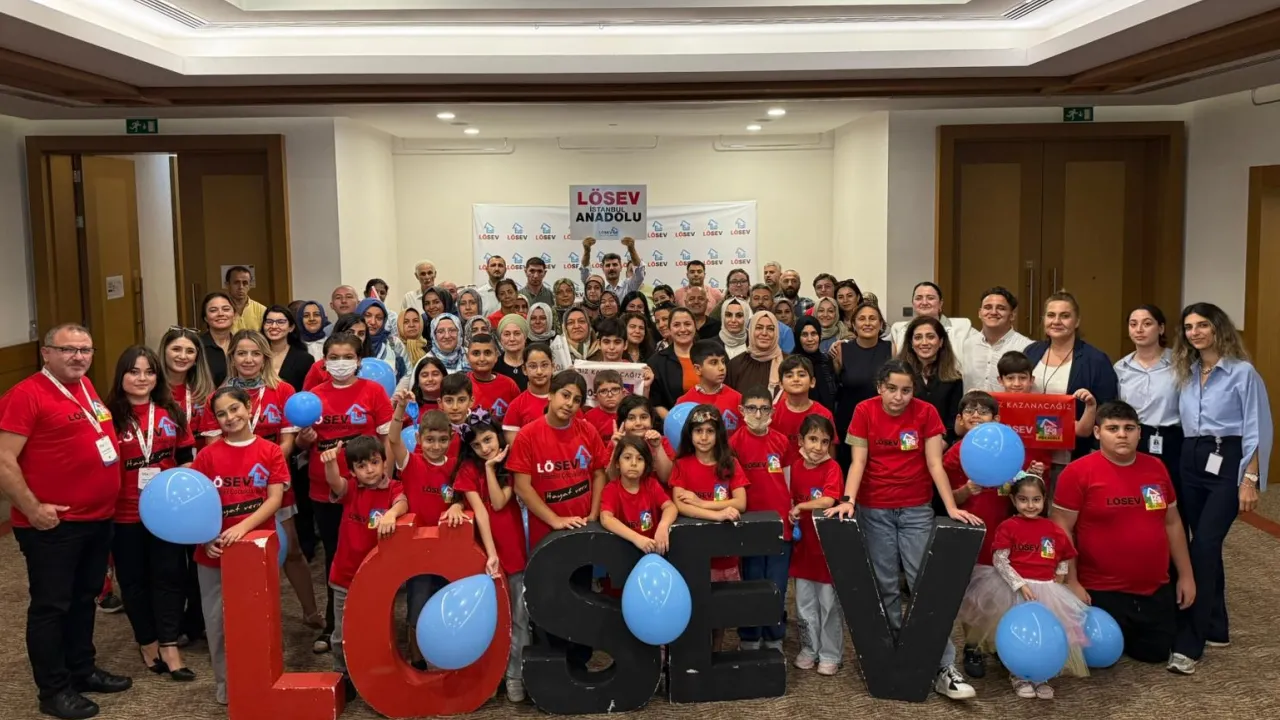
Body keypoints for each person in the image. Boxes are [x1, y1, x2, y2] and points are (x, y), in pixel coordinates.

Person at [825, 359, 983, 701]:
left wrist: (950, 507)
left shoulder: (926, 413)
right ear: (880, 387)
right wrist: (848, 499)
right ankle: (899, 656)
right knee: (885, 587)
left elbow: (934, 464)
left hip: (916, 510)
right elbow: (858, 462)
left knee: (926, 586)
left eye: (906, 390)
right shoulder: (864, 411)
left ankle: (943, 666)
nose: (899, 397)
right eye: (892, 389)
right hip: (875, 510)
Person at [0, 325, 133, 719]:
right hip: (52, 525)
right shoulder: (25, 395)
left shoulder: (84, 386)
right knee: (52, 606)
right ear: (46, 353)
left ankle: (81, 669)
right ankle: (54, 690)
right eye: (68, 350)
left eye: (85, 350)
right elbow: (4, 461)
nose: (78, 357)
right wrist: (32, 508)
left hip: (96, 518)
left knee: (83, 598)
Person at [1052, 400, 1195, 667]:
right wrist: (1072, 582)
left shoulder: (1156, 468)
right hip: (1101, 589)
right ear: (1097, 433)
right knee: (1102, 657)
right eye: (1113, 428)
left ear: (1140, 432)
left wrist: (1186, 576)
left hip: (1153, 586)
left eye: (1129, 428)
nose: (1122, 435)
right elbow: (1062, 529)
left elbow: (1172, 523)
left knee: (1155, 654)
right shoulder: (1077, 472)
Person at [1169, 302, 1271, 674]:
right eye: (1189, 327)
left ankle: (1190, 643)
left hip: (1227, 459)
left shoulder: (1242, 373)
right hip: (1190, 457)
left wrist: (1250, 479)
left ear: (1218, 328)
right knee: (1204, 544)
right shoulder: (1187, 371)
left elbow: (1257, 428)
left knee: (1204, 545)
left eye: (1202, 325)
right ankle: (1217, 626)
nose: (1195, 332)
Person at [295, 331, 394, 655]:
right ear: (324, 362)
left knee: (372, 554)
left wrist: (387, 479)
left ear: (359, 360)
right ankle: (333, 624)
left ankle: (373, 620)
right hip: (326, 489)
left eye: (347, 357)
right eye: (334, 358)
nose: (341, 363)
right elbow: (300, 444)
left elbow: (387, 440)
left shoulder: (373, 391)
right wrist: (305, 438)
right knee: (335, 556)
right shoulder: (313, 396)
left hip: (368, 489)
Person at [105, 346, 196, 684]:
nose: (142, 378)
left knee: (170, 576)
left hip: (166, 512)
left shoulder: (171, 411)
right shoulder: (108, 415)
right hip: (124, 512)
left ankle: (170, 645)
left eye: (149, 372)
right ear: (121, 376)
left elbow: (186, 457)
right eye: (134, 371)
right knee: (133, 581)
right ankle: (147, 641)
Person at [190, 386, 287, 705]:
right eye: (221, 414)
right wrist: (206, 538)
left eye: (235, 409)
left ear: (248, 407)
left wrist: (242, 528)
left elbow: (274, 499)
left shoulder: (270, 451)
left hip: (255, 549)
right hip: (214, 553)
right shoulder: (207, 456)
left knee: (259, 618)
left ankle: (263, 680)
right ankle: (226, 684)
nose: (230, 417)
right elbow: (195, 504)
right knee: (217, 622)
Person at [508, 371, 607, 672]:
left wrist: (593, 514)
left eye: (577, 399)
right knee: (550, 599)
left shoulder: (587, 431)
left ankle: (579, 663)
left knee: (581, 595)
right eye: (565, 395)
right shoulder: (528, 435)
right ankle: (553, 666)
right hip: (546, 536)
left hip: (582, 532)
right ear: (550, 395)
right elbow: (522, 486)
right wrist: (554, 519)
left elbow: (599, 472)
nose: (570, 404)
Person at [961, 474, 1088, 699]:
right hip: (1014, 589)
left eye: (1036, 500)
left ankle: (1041, 675)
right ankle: (1019, 674)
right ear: (1013, 500)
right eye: (1023, 499)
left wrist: (1058, 580)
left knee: (1044, 632)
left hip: (1046, 588)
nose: (1030, 505)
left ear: (1044, 500)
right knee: (1020, 633)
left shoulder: (1052, 529)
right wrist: (1019, 584)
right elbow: (1000, 560)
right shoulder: (1008, 526)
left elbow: (1063, 557)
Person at [320, 436, 407, 702]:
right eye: (361, 466)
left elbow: (402, 502)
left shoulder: (392, 487)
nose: (369, 470)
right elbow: (334, 482)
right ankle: (342, 675)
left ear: (383, 462)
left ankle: (376, 674)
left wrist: (392, 513)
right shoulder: (350, 489)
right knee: (340, 635)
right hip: (344, 576)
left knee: (376, 630)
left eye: (374, 462)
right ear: (353, 471)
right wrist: (330, 462)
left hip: (376, 578)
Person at [448, 415, 527, 700]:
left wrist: (492, 469)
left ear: (498, 436)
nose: (484, 448)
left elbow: (498, 501)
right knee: (487, 618)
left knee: (519, 616)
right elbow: (482, 511)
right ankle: (490, 675)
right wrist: (491, 553)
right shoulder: (468, 469)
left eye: (488, 439)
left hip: (514, 548)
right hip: (484, 550)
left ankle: (515, 675)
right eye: (476, 444)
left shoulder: (511, 463)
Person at [946, 391, 1020, 678]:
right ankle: (973, 647)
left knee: (1001, 593)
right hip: (970, 533)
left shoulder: (1008, 446)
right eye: (969, 410)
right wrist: (965, 491)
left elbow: (1023, 494)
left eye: (983, 411)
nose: (976, 415)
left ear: (996, 419)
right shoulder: (956, 453)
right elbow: (944, 498)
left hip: (1001, 532)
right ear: (960, 419)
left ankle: (1000, 645)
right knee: (973, 597)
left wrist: (1031, 475)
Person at [669, 404, 749, 651]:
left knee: (720, 609)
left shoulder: (730, 463)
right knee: (695, 605)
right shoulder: (682, 464)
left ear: (719, 434)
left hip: (725, 553)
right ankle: (697, 653)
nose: (703, 437)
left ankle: (717, 650)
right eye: (698, 431)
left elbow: (741, 502)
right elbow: (680, 505)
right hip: (693, 553)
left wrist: (703, 503)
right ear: (689, 434)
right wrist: (717, 514)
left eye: (709, 431)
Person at [729, 385, 794, 651]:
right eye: (752, 408)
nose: (758, 414)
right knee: (752, 582)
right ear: (741, 410)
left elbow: (789, 480)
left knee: (777, 584)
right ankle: (749, 636)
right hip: (750, 525)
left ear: (772, 411)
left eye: (764, 409)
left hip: (780, 524)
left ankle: (774, 635)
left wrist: (793, 509)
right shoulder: (734, 443)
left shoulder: (781, 441)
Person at [1024, 291, 1117, 469]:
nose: (1056, 321)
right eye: (1051, 315)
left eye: (1065, 316)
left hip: (1073, 457)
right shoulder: (1031, 352)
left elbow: (1107, 411)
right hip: (1031, 455)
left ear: (1077, 321)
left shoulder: (1095, 360)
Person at [788, 415, 843, 675]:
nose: (818, 447)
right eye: (812, 439)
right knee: (804, 605)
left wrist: (801, 506)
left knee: (828, 604)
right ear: (801, 440)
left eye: (824, 441)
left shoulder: (832, 468)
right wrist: (792, 509)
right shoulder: (794, 467)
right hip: (803, 550)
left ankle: (830, 653)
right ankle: (809, 648)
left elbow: (828, 500)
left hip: (826, 550)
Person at [1116, 305, 1182, 492]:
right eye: (1133, 324)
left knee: (1168, 495)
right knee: (1136, 493)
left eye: (1147, 324)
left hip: (1171, 438)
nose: (1139, 329)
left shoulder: (1180, 363)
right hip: (1134, 437)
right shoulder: (1121, 367)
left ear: (1161, 328)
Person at [833, 301, 892, 473]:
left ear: (880, 324)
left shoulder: (891, 349)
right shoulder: (841, 350)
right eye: (862, 319)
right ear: (853, 324)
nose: (867, 323)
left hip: (882, 424)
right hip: (849, 425)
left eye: (872, 318)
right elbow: (834, 387)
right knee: (850, 471)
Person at [601, 436, 677, 557]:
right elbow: (606, 519)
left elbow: (670, 507)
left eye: (640, 459)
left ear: (646, 464)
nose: (634, 463)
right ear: (617, 463)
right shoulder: (611, 489)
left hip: (653, 551)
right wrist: (637, 538)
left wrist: (663, 526)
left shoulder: (651, 484)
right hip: (623, 554)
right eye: (627, 457)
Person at [898, 316, 965, 444]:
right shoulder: (899, 375)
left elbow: (953, 420)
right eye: (918, 337)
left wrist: (941, 445)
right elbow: (897, 414)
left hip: (941, 444)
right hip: (906, 443)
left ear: (941, 342)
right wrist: (911, 447)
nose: (924, 342)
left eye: (930, 337)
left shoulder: (954, 378)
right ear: (911, 343)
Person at [963, 287, 1033, 392]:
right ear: (980, 313)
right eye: (987, 307)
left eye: (1001, 308)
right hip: (971, 403)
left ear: (1012, 315)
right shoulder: (967, 345)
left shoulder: (1027, 347)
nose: (993, 312)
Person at [889, 282, 975, 360]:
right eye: (918, 298)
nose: (924, 302)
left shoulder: (963, 327)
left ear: (940, 303)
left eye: (930, 298)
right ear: (913, 304)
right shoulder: (898, 329)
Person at [771, 355, 835, 455]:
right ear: (781, 384)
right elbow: (767, 450)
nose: (796, 379)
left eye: (801, 375)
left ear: (812, 382)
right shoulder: (772, 413)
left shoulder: (824, 414)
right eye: (789, 376)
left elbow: (830, 453)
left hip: (814, 465)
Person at [679, 340, 743, 435]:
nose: (722, 367)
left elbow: (744, 435)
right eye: (714, 362)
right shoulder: (683, 403)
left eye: (723, 361)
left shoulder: (738, 399)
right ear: (698, 369)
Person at [647, 307, 700, 417]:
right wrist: (674, 422)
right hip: (672, 421)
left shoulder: (710, 353)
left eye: (687, 324)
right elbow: (656, 403)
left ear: (695, 326)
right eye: (676, 325)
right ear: (669, 329)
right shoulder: (656, 362)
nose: (683, 329)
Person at [502, 344, 555, 442]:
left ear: (553, 367)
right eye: (533, 366)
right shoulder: (516, 406)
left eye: (544, 365)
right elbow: (515, 447)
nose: (539, 371)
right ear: (524, 370)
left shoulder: (564, 400)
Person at [727, 311, 784, 398]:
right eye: (759, 328)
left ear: (776, 332)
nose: (764, 333)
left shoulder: (786, 363)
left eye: (770, 329)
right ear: (751, 330)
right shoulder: (736, 364)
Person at [467, 334, 521, 424]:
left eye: (487, 353)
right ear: (467, 357)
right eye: (476, 353)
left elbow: (519, 417)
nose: (482, 359)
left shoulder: (509, 385)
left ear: (496, 356)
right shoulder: (461, 383)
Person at [262, 305, 314, 395]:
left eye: (280, 322)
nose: (274, 326)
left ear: (291, 327)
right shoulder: (256, 354)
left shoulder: (304, 359)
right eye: (269, 322)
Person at [792, 317, 838, 415]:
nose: (810, 339)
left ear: (819, 336)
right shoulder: (791, 364)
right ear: (797, 337)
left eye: (814, 334)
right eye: (804, 335)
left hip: (828, 419)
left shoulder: (826, 360)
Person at [580, 236, 645, 300]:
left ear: (621, 267)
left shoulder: (629, 285)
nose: (611, 268)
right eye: (608, 265)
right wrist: (587, 251)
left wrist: (631, 249)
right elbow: (585, 272)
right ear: (602, 268)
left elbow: (639, 274)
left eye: (615, 265)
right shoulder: (597, 285)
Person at [358, 297, 407, 380]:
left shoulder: (394, 343)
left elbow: (407, 374)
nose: (373, 322)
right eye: (368, 316)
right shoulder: (348, 344)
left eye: (379, 318)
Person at [200, 292, 235, 386]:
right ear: (205, 318)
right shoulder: (197, 346)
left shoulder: (241, 343)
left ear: (234, 314)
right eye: (213, 310)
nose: (220, 314)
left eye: (226, 309)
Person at [550, 307, 601, 371]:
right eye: (570, 323)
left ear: (588, 325)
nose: (576, 326)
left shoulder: (602, 350)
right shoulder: (556, 351)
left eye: (581, 321)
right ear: (565, 328)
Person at [584, 369, 626, 443]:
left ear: (623, 393)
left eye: (615, 390)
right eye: (603, 391)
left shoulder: (630, 414)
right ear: (596, 397)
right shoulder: (589, 418)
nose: (610, 395)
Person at [225, 266, 267, 335]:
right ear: (227, 285)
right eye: (236, 282)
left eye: (245, 283)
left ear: (250, 285)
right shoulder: (221, 310)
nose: (241, 287)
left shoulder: (261, 310)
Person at [495, 315, 529, 391]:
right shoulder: (494, 366)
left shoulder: (534, 363)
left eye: (517, 333)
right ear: (501, 338)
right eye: (507, 334)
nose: (512, 339)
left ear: (525, 336)